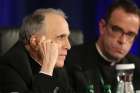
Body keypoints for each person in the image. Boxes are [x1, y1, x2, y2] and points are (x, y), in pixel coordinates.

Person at [65, 0, 140, 93]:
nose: (123, 41)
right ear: (102, 26)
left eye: (130, 34)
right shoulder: (70, 61)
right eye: (117, 30)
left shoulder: (137, 68)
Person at [0, 8, 75, 93]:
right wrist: (47, 69)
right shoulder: (8, 68)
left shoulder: (59, 68)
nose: (68, 46)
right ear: (35, 42)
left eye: (67, 37)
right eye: (60, 37)